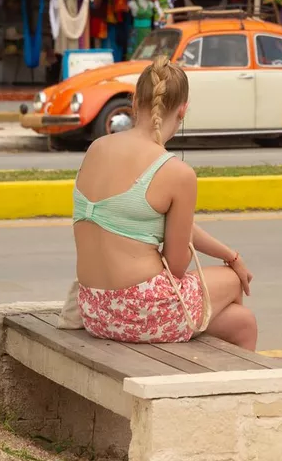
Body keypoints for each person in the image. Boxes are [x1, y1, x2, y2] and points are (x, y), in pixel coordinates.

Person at [72, 55, 257, 349]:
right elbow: (177, 265)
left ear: (135, 103)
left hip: (95, 309)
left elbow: (142, 216)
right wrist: (232, 265)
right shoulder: (175, 172)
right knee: (232, 280)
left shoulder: (96, 149)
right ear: (183, 110)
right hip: (142, 312)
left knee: (241, 322)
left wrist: (230, 254)